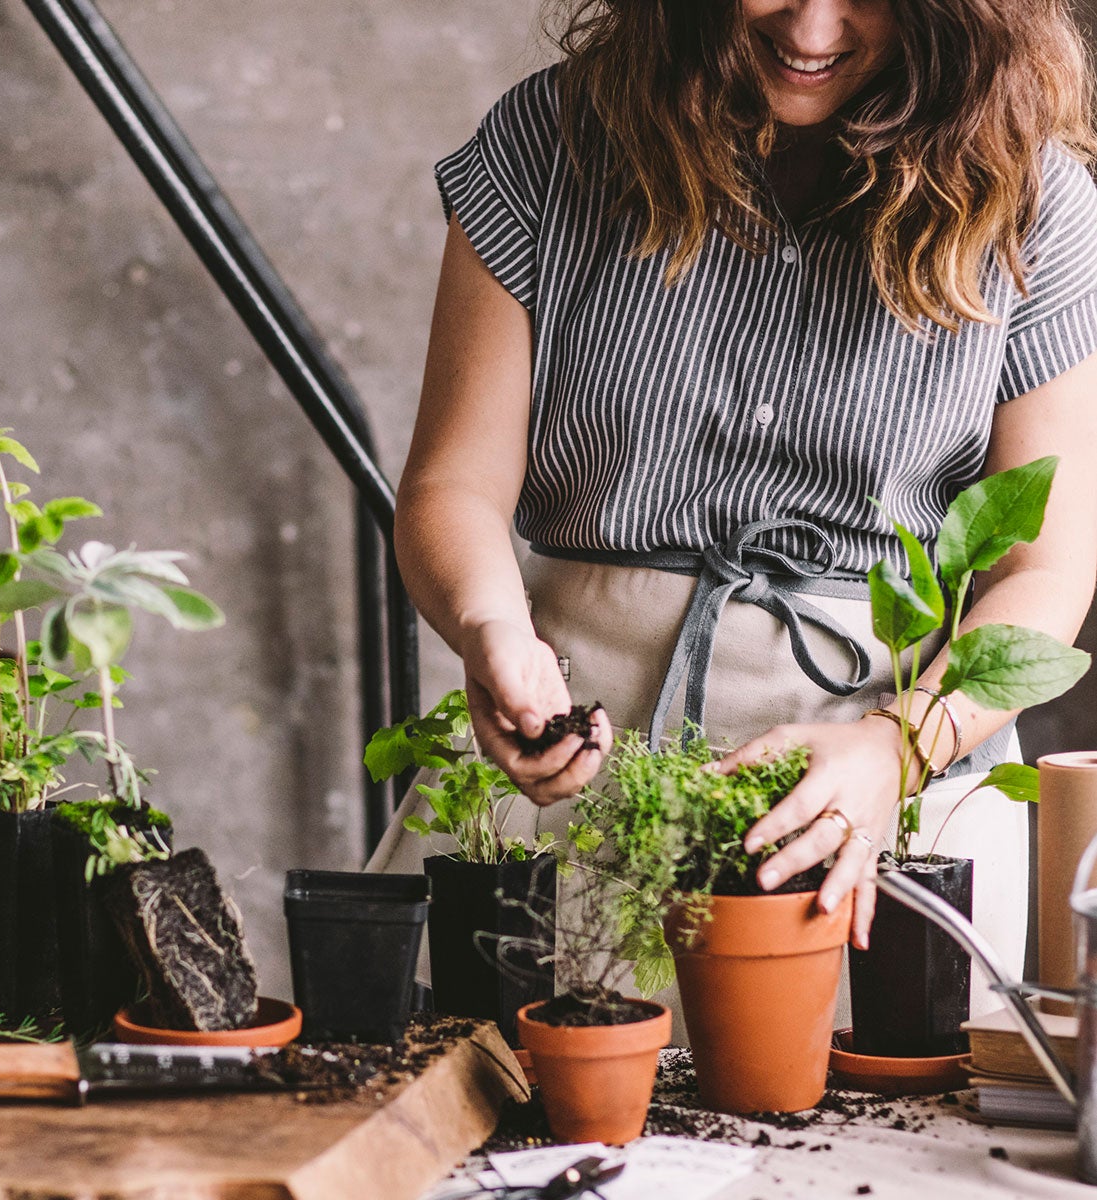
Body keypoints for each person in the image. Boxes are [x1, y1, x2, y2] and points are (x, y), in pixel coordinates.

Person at [370, 0, 1097, 993]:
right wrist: (490, 629)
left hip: (874, 802)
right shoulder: (548, 142)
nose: (809, 29)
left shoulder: (1036, 199)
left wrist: (896, 751)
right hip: (575, 754)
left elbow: (1044, 570)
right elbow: (453, 482)